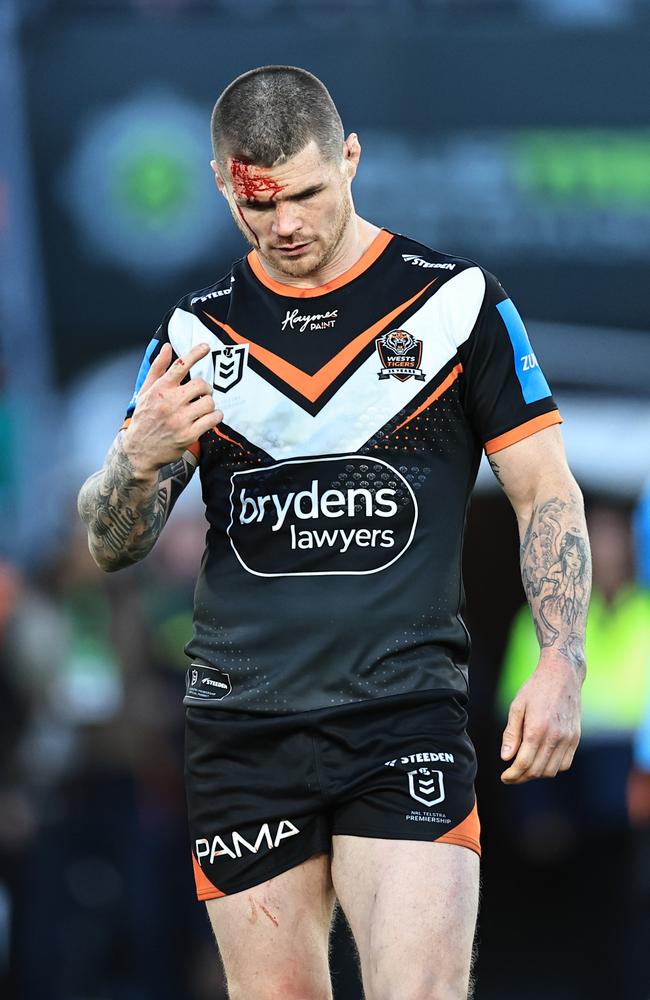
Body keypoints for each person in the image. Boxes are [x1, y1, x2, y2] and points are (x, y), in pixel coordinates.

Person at [77, 66, 591, 1000]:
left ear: (351, 159)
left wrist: (563, 660)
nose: (286, 226)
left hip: (403, 715)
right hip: (243, 729)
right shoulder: (195, 336)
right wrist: (135, 458)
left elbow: (546, 493)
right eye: (257, 204)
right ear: (223, 185)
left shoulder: (456, 305)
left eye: (309, 193)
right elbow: (113, 539)